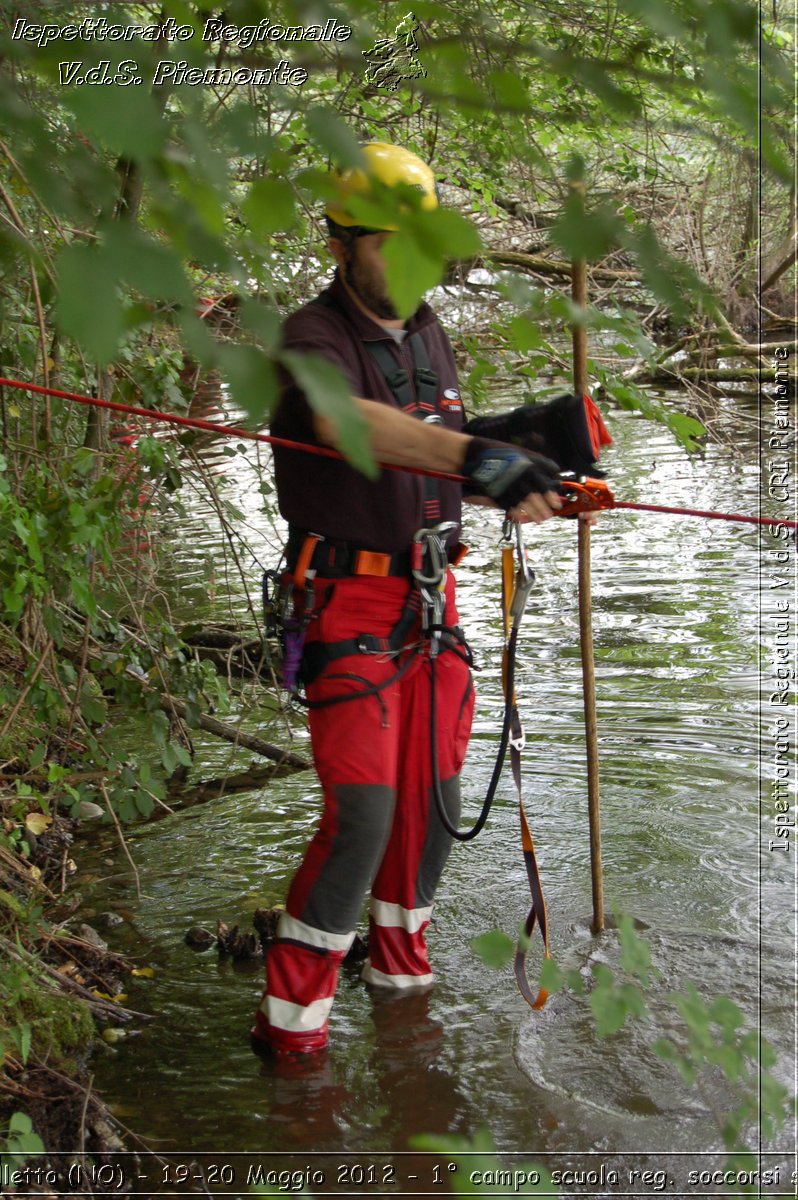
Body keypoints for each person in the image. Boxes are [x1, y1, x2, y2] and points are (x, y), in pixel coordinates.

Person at [253, 142, 605, 1056]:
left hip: (430, 605)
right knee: (363, 819)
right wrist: (476, 455)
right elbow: (350, 424)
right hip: (347, 608)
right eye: (387, 244)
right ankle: (292, 1039)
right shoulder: (310, 338)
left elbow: (436, 453)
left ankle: (401, 992)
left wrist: (527, 464)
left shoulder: (428, 330)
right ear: (342, 242)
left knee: (435, 809)